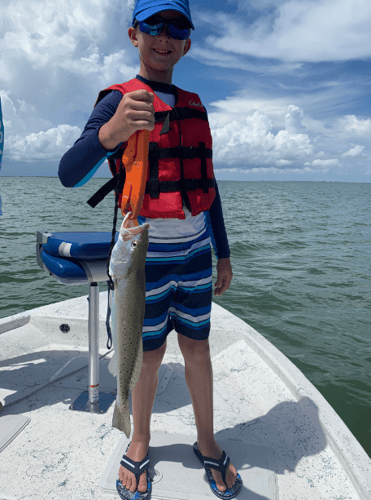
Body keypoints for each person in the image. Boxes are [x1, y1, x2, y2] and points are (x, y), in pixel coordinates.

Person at [59, 1, 242, 499]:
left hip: (197, 251)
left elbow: (209, 184)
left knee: (198, 348)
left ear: (188, 41)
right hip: (143, 256)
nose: (164, 35)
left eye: (176, 26)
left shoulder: (195, 104)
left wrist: (222, 252)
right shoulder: (118, 101)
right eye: (153, 25)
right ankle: (138, 438)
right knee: (149, 352)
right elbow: (69, 172)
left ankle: (206, 439)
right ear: (133, 34)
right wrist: (112, 132)